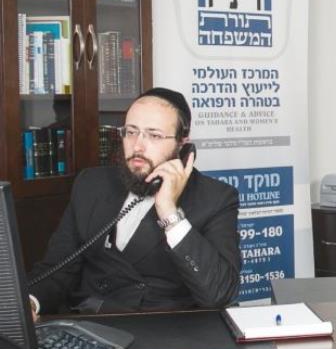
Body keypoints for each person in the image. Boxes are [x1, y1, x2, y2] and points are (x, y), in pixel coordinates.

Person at [28, 87, 241, 315]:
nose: (138, 146)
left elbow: (219, 293)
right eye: (131, 132)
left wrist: (169, 211)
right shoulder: (91, 184)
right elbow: (57, 268)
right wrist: (30, 303)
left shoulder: (216, 198)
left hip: (164, 333)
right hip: (90, 325)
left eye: (154, 135)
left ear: (182, 144)